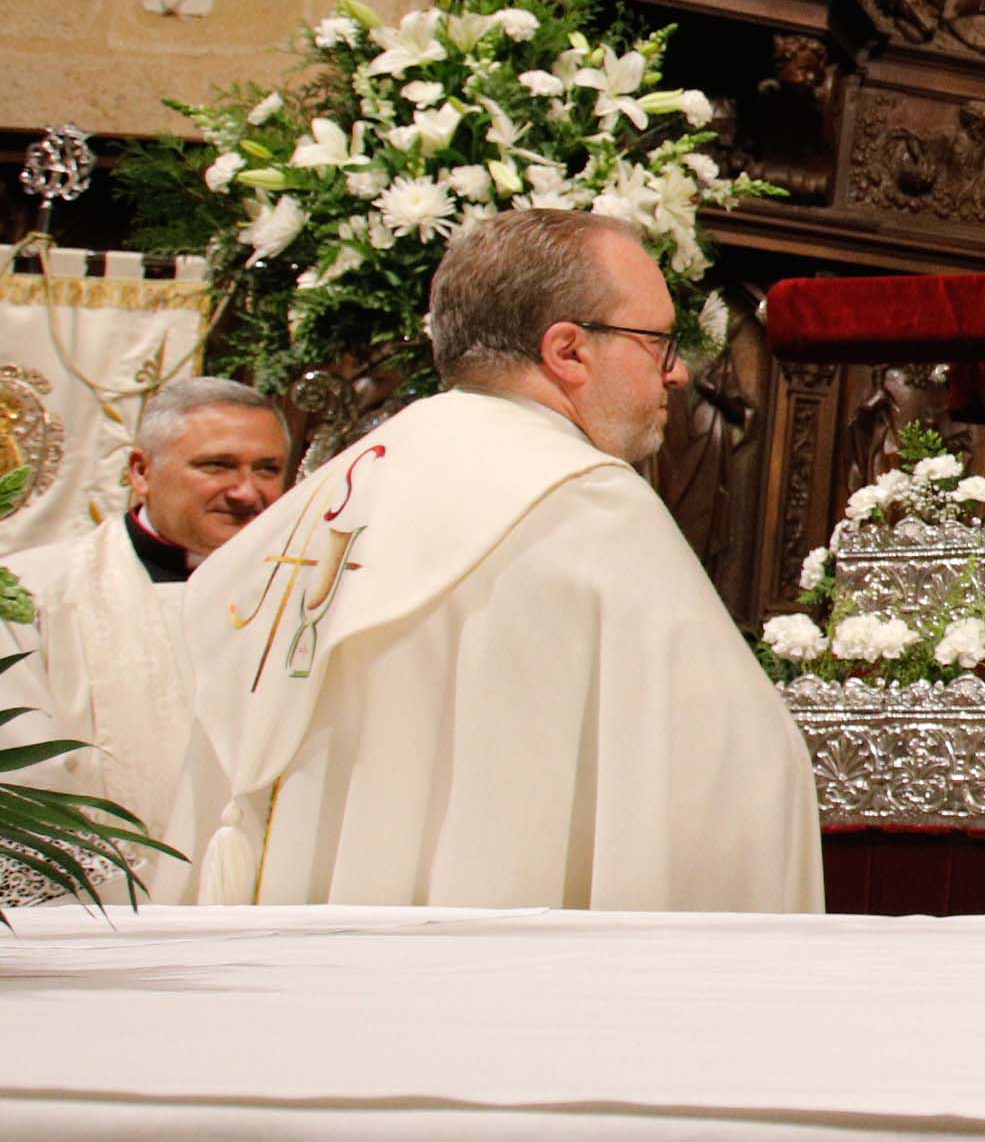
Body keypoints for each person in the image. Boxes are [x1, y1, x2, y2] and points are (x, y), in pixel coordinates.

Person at [157, 209, 822, 911]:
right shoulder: (587, 508)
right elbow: (728, 783)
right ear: (568, 350)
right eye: (658, 341)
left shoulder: (331, 490)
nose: (680, 372)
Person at [0, 377, 289, 825]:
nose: (246, 492)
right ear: (141, 471)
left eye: (267, 469)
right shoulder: (36, 594)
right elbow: (27, 778)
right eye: (218, 466)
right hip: (107, 887)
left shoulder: (305, 593)